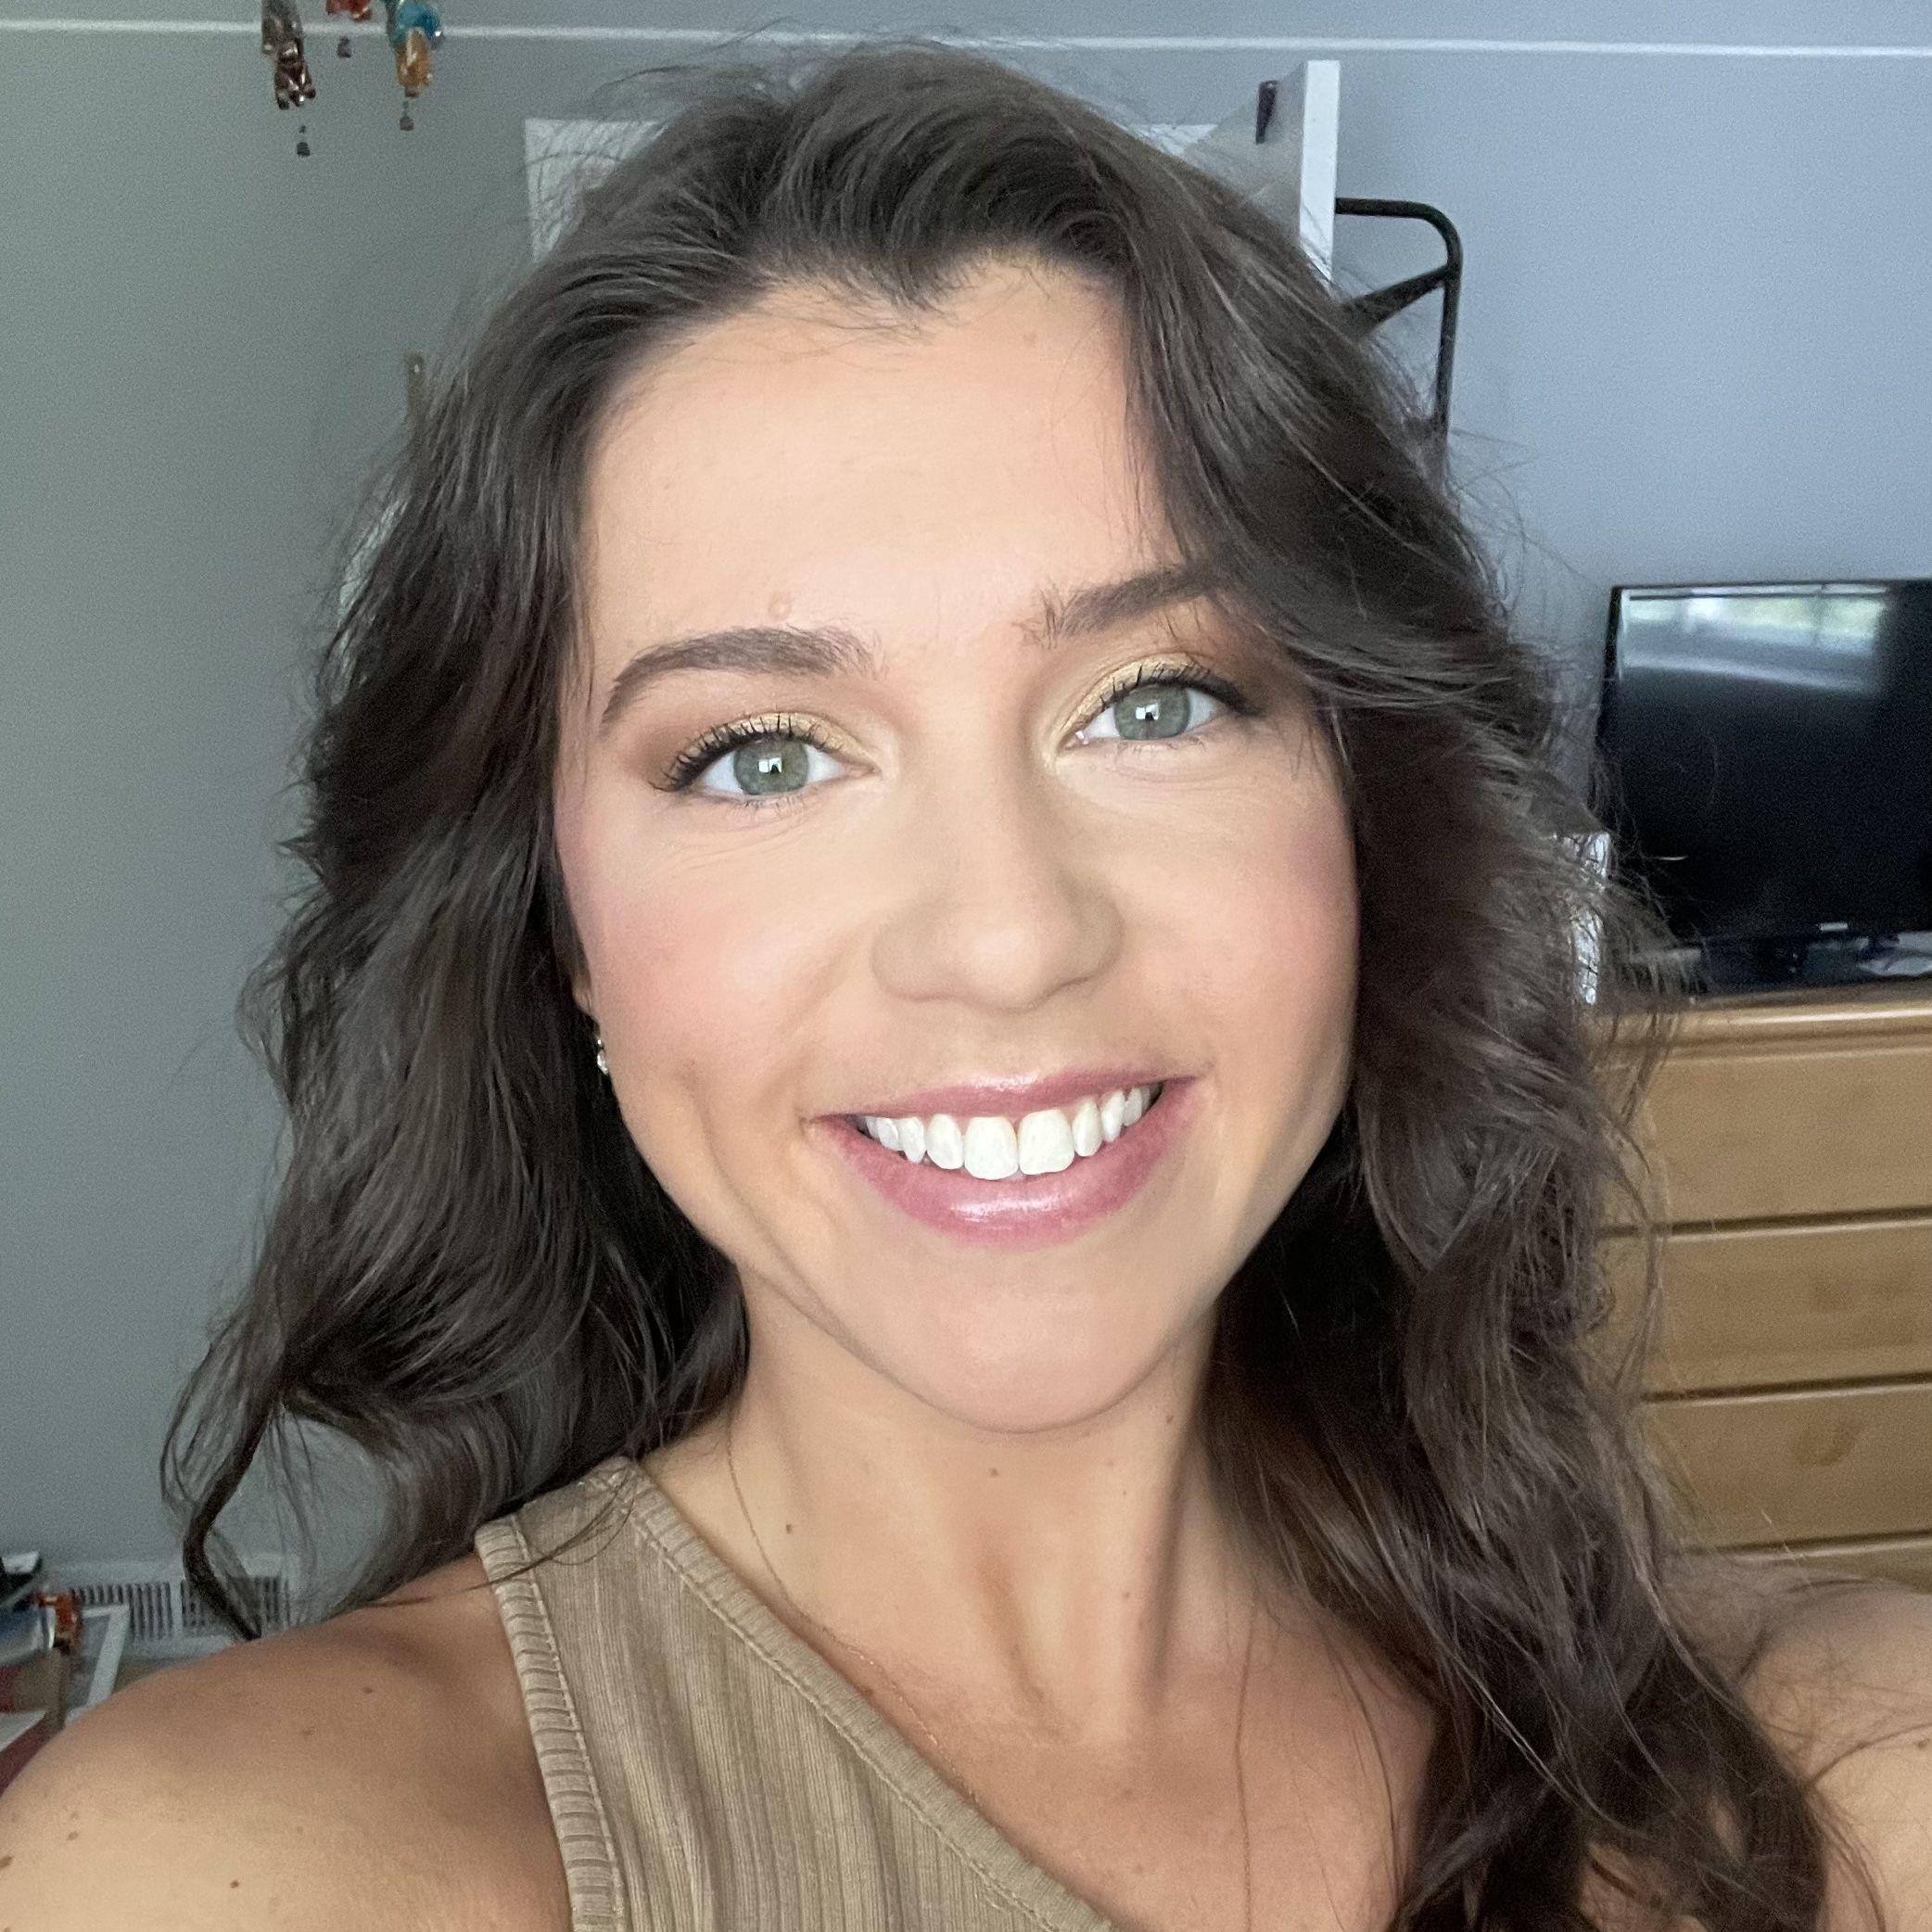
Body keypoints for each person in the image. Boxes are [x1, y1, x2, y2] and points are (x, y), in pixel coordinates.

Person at [4, 35, 1927, 1932]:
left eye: (1156, 703)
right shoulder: (220, 1868)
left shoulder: (1842, 1782)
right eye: (761, 755)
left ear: (1370, 819)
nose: (1004, 938)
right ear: (564, 938)